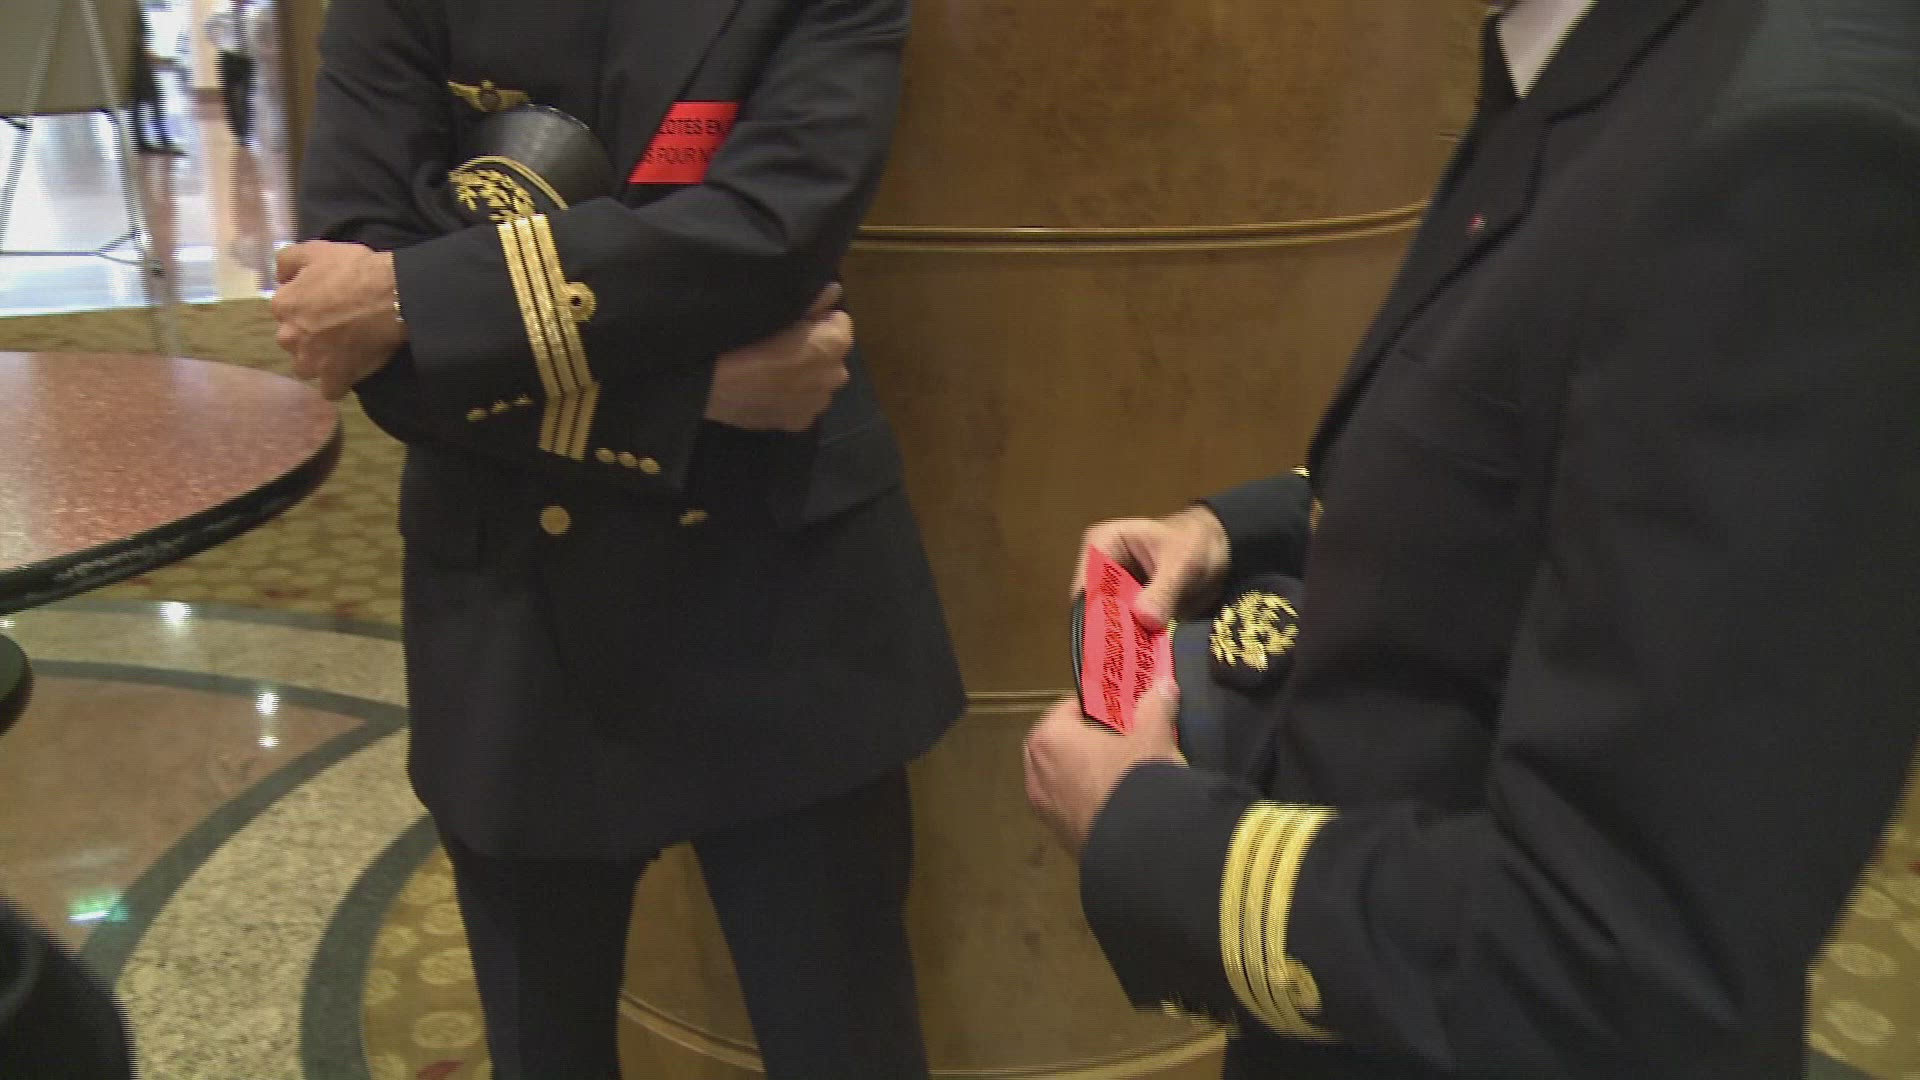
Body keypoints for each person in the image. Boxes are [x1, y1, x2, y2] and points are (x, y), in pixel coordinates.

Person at [1025, 1, 1920, 1077]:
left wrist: (1150, 844)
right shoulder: (1612, 50)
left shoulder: (1796, 148)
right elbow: (1533, 437)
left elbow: (1616, 946)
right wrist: (1241, 527)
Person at [273, 0, 963, 1076]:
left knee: (847, 1047)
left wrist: (416, 298)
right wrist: (683, 400)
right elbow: (366, 346)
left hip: (779, 596)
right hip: (514, 615)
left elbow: (770, 237)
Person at [203, 0, 256, 146]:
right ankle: (238, 132)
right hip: (228, 57)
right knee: (230, 96)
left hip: (248, 58)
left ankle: (247, 131)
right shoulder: (221, 10)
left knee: (247, 95)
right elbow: (208, 28)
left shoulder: (255, 11)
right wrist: (220, 42)